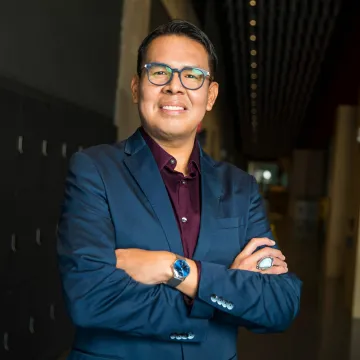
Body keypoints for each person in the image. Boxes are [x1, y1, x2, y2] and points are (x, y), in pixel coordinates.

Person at [57, 19, 302, 360]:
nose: (174, 87)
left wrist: (174, 268)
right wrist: (225, 287)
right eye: (159, 72)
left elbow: (279, 304)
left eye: (192, 75)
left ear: (210, 95)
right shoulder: (94, 170)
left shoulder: (240, 189)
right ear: (136, 87)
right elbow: (90, 299)